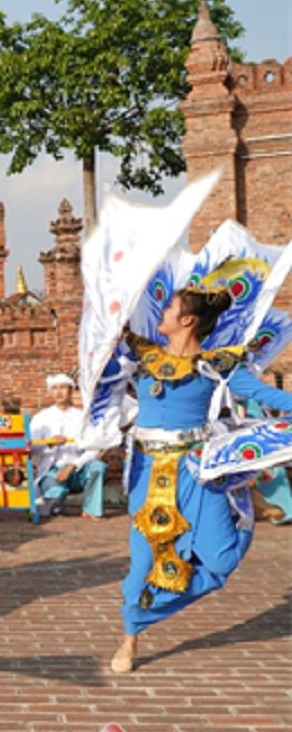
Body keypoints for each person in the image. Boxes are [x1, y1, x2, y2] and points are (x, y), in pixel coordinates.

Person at [108, 288, 292, 674]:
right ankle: (131, 635)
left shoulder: (216, 366)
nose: (163, 312)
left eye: (171, 307)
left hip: (194, 472)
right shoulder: (141, 355)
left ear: (187, 320)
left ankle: (241, 495)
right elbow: (97, 361)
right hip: (146, 472)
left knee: (222, 559)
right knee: (141, 566)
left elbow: (263, 393)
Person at [30, 374, 108, 519]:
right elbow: (31, 449)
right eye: (54, 388)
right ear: (50, 392)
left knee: (98, 467)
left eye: (63, 387)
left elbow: (94, 448)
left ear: (71, 390)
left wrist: (73, 465)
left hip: (78, 470)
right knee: (55, 497)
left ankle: (91, 510)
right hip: (52, 471)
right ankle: (56, 504)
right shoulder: (41, 418)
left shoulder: (83, 417)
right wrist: (48, 443)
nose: (59, 392)